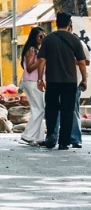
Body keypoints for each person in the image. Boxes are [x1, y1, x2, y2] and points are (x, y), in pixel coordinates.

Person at [37, 12, 88, 150]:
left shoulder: (48, 39)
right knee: (68, 111)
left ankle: (51, 136)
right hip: (70, 81)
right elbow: (82, 62)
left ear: (56, 23)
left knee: (51, 109)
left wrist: (40, 79)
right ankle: (64, 142)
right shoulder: (74, 40)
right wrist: (84, 79)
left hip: (52, 81)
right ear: (69, 24)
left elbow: (41, 60)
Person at [20, 27, 46, 146]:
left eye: (44, 36)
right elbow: (29, 68)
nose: (42, 38)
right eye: (40, 36)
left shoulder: (38, 49)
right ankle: (28, 135)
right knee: (39, 109)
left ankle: (39, 137)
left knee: (38, 109)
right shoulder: (31, 50)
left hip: (35, 81)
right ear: (34, 37)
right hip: (31, 81)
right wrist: (41, 61)